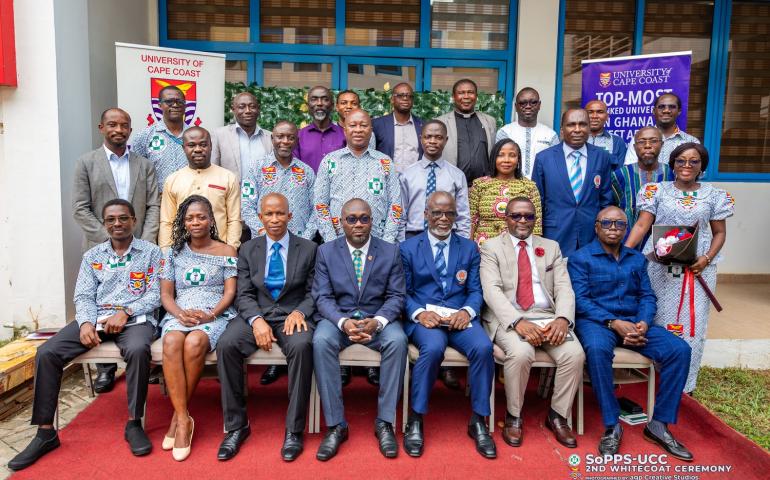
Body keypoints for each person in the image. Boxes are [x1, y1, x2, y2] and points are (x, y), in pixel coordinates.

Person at [8, 200, 161, 471]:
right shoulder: (93, 256)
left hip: (135, 319)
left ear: (134, 221)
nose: (117, 224)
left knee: (138, 350)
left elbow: (156, 294)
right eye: (111, 219)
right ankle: (45, 433)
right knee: (47, 352)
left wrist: (125, 311)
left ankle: (134, 423)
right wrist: (86, 323)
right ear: (104, 224)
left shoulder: (151, 252)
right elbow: (83, 295)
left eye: (123, 218)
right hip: (97, 318)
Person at [569, 206, 693, 460]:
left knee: (680, 350)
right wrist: (613, 322)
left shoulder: (636, 259)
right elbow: (580, 300)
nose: (613, 229)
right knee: (596, 350)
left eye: (619, 225)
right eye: (607, 223)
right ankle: (612, 424)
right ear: (596, 227)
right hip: (597, 322)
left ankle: (658, 424)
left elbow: (646, 295)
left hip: (635, 323)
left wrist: (644, 323)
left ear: (627, 229)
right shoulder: (581, 258)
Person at [216, 193, 317, 462]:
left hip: (292, 316)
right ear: (260, 218)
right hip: (257, 314)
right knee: (226, 345)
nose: (274, 219)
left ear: (290, 216)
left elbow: (314, 292)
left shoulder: (308, 248)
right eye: (269, 214)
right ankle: (237, 426)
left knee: (302, 345)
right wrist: (256, 320)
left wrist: (299, 311)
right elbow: (243, 294)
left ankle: (294, 430)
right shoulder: (249, 249)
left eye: (280, 213)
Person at [625, 143, 734, 393]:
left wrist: (706, 258)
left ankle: (685, 384)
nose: (686, 165)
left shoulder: (714, 195)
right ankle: (650, 377)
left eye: (693, 161)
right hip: (659, 269)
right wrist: (625, 255)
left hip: (697, 270)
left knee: (691, 324)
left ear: (701, 167)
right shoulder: (655, 190)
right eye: (681, 160)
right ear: (672, 164)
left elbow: (719, 233)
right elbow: (642, 225)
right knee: (656, 318)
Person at [480, 197, 584, 449]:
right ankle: (514, 416)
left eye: (528, 216)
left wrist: (562, 319)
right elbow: (491, 291)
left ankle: (558, 416)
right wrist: (518, 322)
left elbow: (564, 288)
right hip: (510, 319)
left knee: (575, 354)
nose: (522, 221)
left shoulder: (551, 246)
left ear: (535, 220)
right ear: (507, 219)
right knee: (520, 352)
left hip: (548, 317)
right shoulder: (491, 247)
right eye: (516, 215)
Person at [400, 192, 496, 459]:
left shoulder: (469, 248)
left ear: (456, 216)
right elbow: (401, 293)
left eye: (449, 214)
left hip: (459, 317)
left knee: (483, 347)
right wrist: (418, 313)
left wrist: (467, 311)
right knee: (432, 348)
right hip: (426, 319)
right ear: (426, 215)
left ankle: (478, 420)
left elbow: (476, 290)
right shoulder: (408, 248)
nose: (443, 219)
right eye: (437, 213)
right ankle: (416, 419)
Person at [311, 198, 408, 461]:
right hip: (339, 322)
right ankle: (336, 425)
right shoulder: (326, 251)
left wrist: (379, 320)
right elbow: (322, 296)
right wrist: (343, 322)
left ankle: (385, 422)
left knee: (398, 341)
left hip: (377, 322)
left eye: (364, 218)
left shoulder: (390, 251)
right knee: (320, 341)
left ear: (371, 221)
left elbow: (397, 295)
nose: (358, 224)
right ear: (341, 222)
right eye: (351, 219)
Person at [72, 107, 160, 392]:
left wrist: (142, 241)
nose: (118, 130)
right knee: (101, 299)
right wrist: (110, 238)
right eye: (112, 124)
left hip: (139, 247)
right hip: (101, 247)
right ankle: (105, 369)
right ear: (102, 128)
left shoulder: (144, 165)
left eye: (124, 126)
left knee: (140, 298)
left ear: (130, 131)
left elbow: (153, 205)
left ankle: (140, 363)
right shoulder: (86, 163)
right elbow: (80, 208)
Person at [159, 195, 238, 461]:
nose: (196, 222)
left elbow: (230, 293)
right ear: (183, 221)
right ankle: (183, 418)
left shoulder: (227, 251)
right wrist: (180, 314)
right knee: (171, 342)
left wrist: (209, 315)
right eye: (190, 217)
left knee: (194, 343)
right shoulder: (172, 253)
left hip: (214, 314)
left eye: (201, 216)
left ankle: (177, 419)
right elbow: (167, 295)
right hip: (180, 313)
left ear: (211, 219)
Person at [532, 108, 614, 258]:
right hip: (554, 235)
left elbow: (606, 199)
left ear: (589, 128)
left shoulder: (601, 157)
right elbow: (537, 202)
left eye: (582, 124)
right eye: (571, 125)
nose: (577, 130)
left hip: (591, 236)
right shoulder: (544, 158)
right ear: (562, 129)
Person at [313, 109, 403, 244]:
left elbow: (395, 205)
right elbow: (320, 204)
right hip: (338, 242)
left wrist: (387, 242)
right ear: (345, 130)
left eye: (363, 125)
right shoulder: (330, 161)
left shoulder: (384, 162)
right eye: (353, 125)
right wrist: (331, 241)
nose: (358, 129)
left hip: (378, 243)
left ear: (371, 130)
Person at [159, 127, 242, 249]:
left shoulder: (228, 178)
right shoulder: (172, 180)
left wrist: (230, 249)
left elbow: (234, 219)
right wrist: (166, 252)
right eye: (191, 145)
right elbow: (167, 222)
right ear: (184, 148)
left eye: (203, 145)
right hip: (182, 252)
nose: (198, 149)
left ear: (211, 146)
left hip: (219, 249)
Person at [242, 121, 316, 241]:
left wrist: (306, 237)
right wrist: (263, 232)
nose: (285, 141)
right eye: (280, 136)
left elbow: (316, 209)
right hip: (263, 242)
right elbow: (246, 206)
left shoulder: (307, 172)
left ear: (297, 141)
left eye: (291, 138)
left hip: (299, 243)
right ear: (272, 138)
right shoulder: (255, 168)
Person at [400, 120, 470, 239]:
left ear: (446, 140)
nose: (432, 141)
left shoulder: (457, 175)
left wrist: (461, 245)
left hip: (447, 235)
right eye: (428, 137)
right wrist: (401, 244)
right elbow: (400, 214)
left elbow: (463, 216)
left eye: (438, 137)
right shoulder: (407, 175)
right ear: (421, 138)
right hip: (413, 235)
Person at [469, 138, 542, 245]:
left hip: (517, 246)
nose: (506, 160)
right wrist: (469, 251)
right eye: (501, 155)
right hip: (484, 246)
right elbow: (471, 221)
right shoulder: (480, 185)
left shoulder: (529, 187)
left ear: (518, 159)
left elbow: (537, 224)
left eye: (512, 155)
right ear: (494, 158)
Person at [611, 127, 673, 243]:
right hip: (627, 242)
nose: (648, 145)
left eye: (653, 141)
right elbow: (613, 207)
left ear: (662, 144)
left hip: (663, 243)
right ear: (634, 147)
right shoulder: (620, 175)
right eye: (641, 142)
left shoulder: (672, 174)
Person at [437, 79, 497, 186]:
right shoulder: (440, 122)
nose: (466, 96)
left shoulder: (490, 121)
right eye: (461, 93)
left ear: (476, 96)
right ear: (453, 97)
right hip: (451, 185)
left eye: (470, 92)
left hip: (484, 186)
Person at [132, 85, 190, 193]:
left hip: (191, 202)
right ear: (160, 105)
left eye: (180, 102)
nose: (175, 105)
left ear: (185, 106)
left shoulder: (195, 135)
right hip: (158, 202)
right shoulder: (144, 136)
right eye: (169, 101)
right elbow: (137, 174)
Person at [496, 87, 559, 179]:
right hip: (511, 186)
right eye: (523, 103)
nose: (528, 106)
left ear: (539, 105)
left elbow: (555, 166)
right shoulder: (505, 132)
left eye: (533, 102)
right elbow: (500, 164)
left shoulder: (550, 135)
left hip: (541, 187)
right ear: (516, 106)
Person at [210, 91, 272, 183]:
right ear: (233, 109)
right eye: (241, 107)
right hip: (231, 195)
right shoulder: (219, 135)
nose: (247, 111)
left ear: (258, 109)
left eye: (252, 106)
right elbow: (213, 169)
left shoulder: (270, 137)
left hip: (264, 195)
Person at [624, 93, 699, 165]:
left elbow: (697, 172)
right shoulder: (639, 138)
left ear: (679, 111)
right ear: (653, 111)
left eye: (672, 107)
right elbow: (630, 170)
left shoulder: (691, 142)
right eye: (661, 107)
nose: (666, 110)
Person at [372, 82, 424, 174]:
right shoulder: (377, 124)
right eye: (400, 95)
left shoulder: (423, 125)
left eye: (409, 96)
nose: (405, 98)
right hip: (387, 180)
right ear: (392, 99)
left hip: (415, 181)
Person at [294, 86, 346, 173]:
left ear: (332, 106)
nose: (319, 103)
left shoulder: (345, 135)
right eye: (314, 99)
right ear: (307, 106)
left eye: (325, 99)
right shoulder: (298, 136)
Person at [585, 99, 627, 171]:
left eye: (600, 112)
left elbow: (620, 174)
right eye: (590, 112)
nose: (594, 116)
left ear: (607, 116)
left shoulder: (617, 142)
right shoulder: (575, 140)